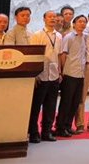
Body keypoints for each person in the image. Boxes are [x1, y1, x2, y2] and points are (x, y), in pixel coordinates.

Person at [28, 11, 62, 143]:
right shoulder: (37, 35)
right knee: (36, 106)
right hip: (40, 75)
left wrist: (59, 72)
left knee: (51, 106)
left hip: (54, 75)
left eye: (54, 17)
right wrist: (34, 73)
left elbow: (58, 55)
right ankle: (33, 132)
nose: (52, 19)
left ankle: (47, 131)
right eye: (49, 17)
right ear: (44, 19)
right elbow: (33, 54)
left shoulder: (58, 36)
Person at [55, 15, 87, 137]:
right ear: (74, 24)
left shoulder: (84, 37)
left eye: (84, 22)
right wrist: (63, 70)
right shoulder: (69, 37)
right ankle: (60, 127)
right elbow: (63, 54)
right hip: (69, 73)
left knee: (75, 102)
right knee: (66, 102)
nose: (82, 24)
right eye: (80, 22)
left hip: (80, 74)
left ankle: (68, 125)